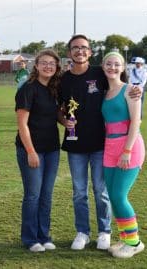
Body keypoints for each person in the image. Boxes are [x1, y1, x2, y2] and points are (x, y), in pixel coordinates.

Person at [58, 34, 142, 251]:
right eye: (75, 48)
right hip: (75, 144)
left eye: (84, 47)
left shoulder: (100, 72)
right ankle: (82, 232)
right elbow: (59, 108)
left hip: (101, 145)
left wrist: (136, 89)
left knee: (101, 190)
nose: (79, 51)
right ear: (69, 52)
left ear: (90, 52)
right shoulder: (63, 79)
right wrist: (63, 120)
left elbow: (120, 84)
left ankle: (105, 231)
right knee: (79, 191)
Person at [15, 49, 62, 252]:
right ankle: (30, 238)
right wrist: (31, 152)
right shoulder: (28, 88)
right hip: (31, 150)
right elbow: (22, 124)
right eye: (44, 62)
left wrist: (66, 122)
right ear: (36, 65)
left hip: (52, 149)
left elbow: (55, 114)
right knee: (33, 195)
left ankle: (44, 235)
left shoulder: (54, 88)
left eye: (52, 63)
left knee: (46, 195)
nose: (48, 66)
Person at [101, 51, 145, 258]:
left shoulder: (131, 90)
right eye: (108, 64)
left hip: (129, 146)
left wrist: (127, 151)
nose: (112, 67)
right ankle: (125, 238)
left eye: (116, 64)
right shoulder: (104, 93)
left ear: (123, 68)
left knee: (119, 195)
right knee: (112, 196)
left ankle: (134, 242)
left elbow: (136, 121)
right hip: (109, 146)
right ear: (103, 67)